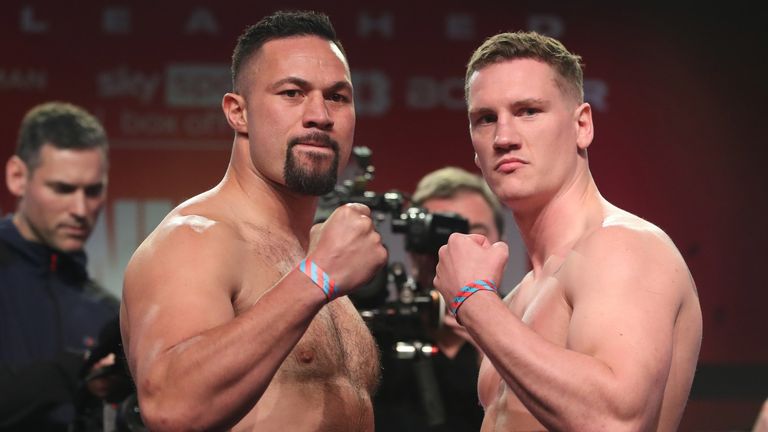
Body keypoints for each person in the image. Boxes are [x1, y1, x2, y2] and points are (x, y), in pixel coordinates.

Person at [120, 10, 387, 431]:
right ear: (237, 112)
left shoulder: (314, 253)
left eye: (337, 96)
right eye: (292, 93)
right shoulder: (194, 239)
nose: (320, 114)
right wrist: (316, 278)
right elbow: (170, 405)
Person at [432, 31, 703, 431]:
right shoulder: (517, 300)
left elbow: (615, 420)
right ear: (474, 147)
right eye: (486, 119)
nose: (504, 138)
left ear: (582, 125)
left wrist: (472, 301)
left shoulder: (624, 246)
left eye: (528, 111)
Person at [0, 101, 119, 431]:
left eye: (93, 191)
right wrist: (79, 373)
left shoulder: (109, 313)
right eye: (63, 189)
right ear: (17, 177)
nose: (80, 209)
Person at [374, 166, 504, 432]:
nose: (455, 249)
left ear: (500, 243)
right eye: (438, 234)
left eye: (474, 234)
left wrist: (497, 352)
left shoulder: (530, 324)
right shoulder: (375, 338)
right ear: (411, 246)